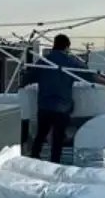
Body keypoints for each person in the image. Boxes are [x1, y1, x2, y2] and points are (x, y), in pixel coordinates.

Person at [25, 33, 85, 162]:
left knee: (41, 135)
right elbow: (88, 75)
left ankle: (34, 159)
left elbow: (28, 78)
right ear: (67, 47)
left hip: (44, 106)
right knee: (58, 139)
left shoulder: (44, 61)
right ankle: (55, 162)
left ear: (54, 45)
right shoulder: (71, 62)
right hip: (62, 107)